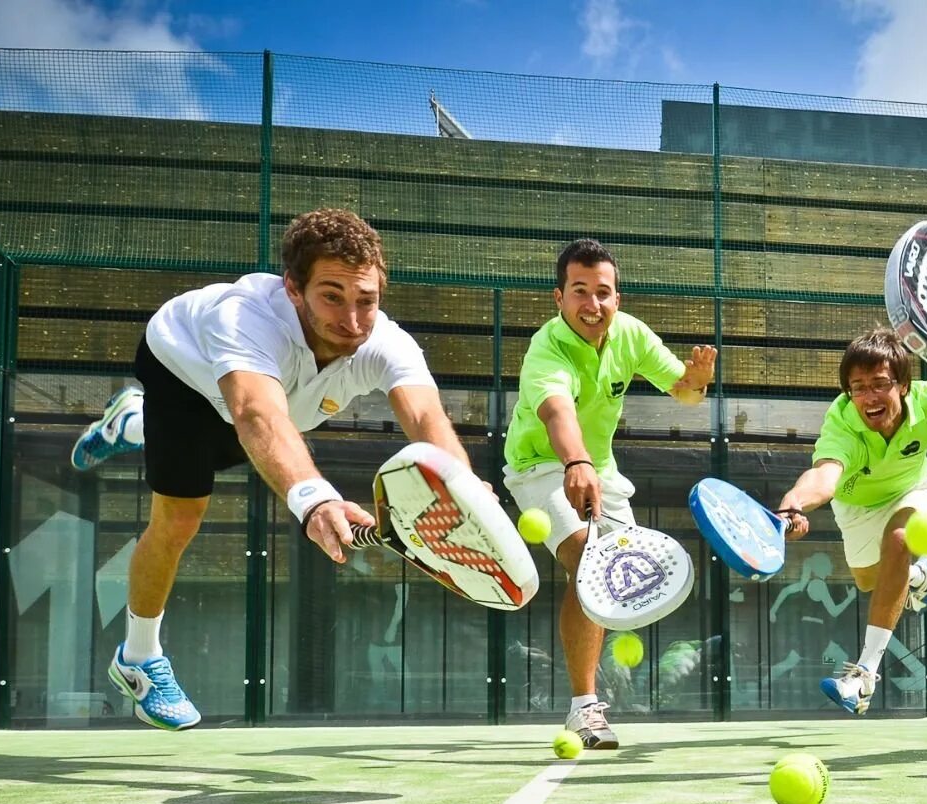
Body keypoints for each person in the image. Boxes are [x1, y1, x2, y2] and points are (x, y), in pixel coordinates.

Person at [69, 208, 484, 729]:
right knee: (181, 516)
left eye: (367, 300)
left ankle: (132, 423)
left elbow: (427, 417)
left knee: (245, 447)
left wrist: (463, 489)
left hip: (271, 403)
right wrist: (316, 500)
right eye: (332, 296)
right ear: (293, 288)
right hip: (185, 372)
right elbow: (255, 414)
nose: (352, 321)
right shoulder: (244, 318)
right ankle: (138, 658)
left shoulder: (385, 341)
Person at [504, 238, 716, 749]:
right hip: (539, 465)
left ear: (617, 298)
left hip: (602, 472)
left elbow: (683, 392)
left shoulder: (631, 335)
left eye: (603, 292)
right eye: (580, 291)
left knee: (617, 579)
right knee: (587, 561)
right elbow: (557, 412)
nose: (592, 304)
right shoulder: (546, 347)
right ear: (559, 298)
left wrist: (700, 380)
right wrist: (575, 462)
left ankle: (601, 680)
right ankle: (584, 708)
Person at [774, 326, 927, 715]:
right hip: (856, 504)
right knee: (869, 581)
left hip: (913, 487)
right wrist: (794, 504)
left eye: (879, 384)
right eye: (857, 388)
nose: (868, 397)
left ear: (904, 385)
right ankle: (916, 576)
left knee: (899, 539)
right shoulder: (842, 425)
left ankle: (862, 677)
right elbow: (824, 477)